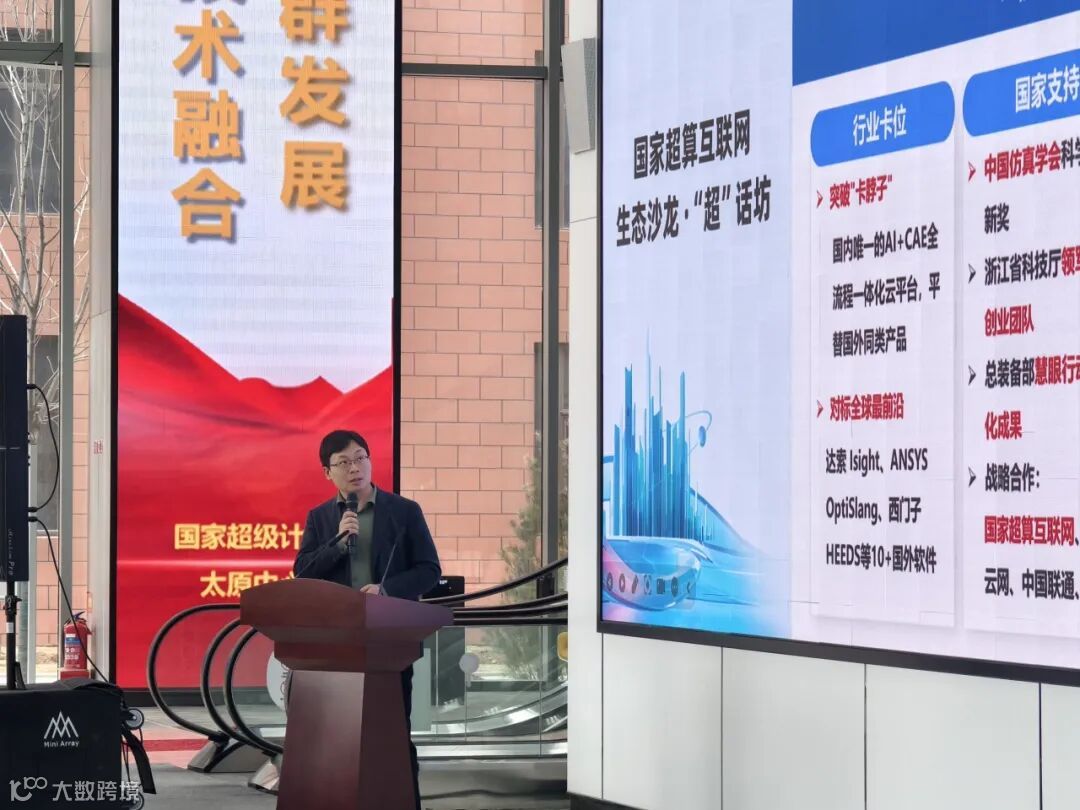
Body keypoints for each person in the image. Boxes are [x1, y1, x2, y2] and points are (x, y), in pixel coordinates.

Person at [294, 429, 441, 810]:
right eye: (344, 462)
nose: (354, 468)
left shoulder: (404, 512)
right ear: (328, 472)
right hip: (336, 643)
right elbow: (303, 571)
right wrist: (337, 544)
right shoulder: (321, 518)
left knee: (393, 732)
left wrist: (386, 591)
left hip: (388, 641)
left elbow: (429, 570)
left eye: (360, 458)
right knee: (338, 734)